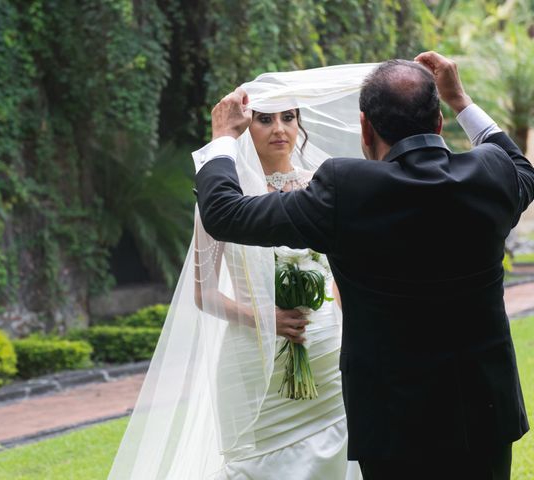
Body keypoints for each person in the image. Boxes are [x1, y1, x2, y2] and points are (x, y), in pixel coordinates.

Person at [194, 51, 533, 480]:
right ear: (440, 122)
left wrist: (223, 137)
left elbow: (224, 213)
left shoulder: (345, 191)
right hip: (484, 412)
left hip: (394, 423)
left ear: (365, 128)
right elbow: (523, 168)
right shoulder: (491, 172)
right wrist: (462, 99)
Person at [108, 63, 376, 479]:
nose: (278, 128)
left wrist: (348, 331)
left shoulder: (320, 186)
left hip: (324, 348)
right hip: (252, 358)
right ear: (245, 128)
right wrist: (266, 319)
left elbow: (339, 273)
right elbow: (205, 293)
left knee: (336, 454)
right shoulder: (223, 200)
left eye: (288, 117)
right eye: (264, 119)